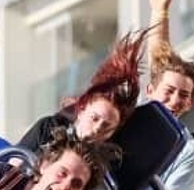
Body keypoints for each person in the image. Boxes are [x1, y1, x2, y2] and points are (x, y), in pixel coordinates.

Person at [125, 0, 194, 190]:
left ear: (190, 103)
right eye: (168, 92)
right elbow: (160, 61)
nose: (174, 100)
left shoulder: (188, 152)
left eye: (183, 95)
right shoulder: (127, 117)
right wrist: (160, 9)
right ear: (150, 91)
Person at [17, 30, 149, 151]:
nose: (97, 128)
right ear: (81, 111)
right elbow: (9, 166)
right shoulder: (47, 129)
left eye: (106, 127)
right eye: (94, 118)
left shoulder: (106, 165)